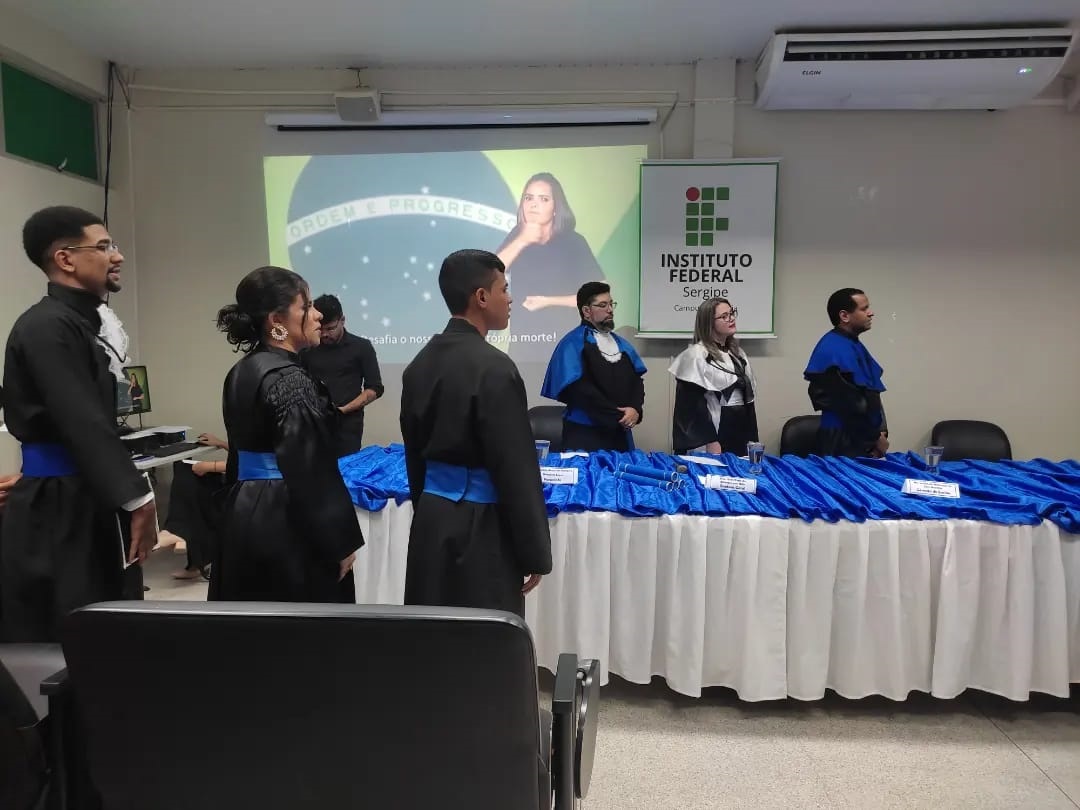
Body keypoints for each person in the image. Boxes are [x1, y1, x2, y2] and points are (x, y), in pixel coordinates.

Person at [1, 206, 157, 642]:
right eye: (104, 246)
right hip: (60, 503)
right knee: (74, 624)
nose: (117, 256)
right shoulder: (47, 326)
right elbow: (82, 420)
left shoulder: (81, 322)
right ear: (65, 259)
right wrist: (138, 497)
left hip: (87, 491)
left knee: (112, 613)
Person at [400, 249, 551, 616]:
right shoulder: (496, 368)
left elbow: (414, 457)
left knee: (433, 630)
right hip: (482, 528)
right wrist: (534, 552)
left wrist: (428, 510)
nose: (510, 298)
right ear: (481, 297)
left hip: (431, 520)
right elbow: (515, 467)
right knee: (484, 634)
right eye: (504, 288)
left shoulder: (418, 364)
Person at [213, 266, 363, 602]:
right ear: (277, 320)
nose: (317, 315)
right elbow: (310, 469)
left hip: (243, 508)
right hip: (285, 516)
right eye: (306, 306)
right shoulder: (290, 379)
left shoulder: (242, 370)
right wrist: (340, 542)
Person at [495, 172, 602, 350]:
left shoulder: (573, 242)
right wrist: (522, 240)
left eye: (543, 199)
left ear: (555, 208)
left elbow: (598, 296)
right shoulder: (517, 236)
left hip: (565, 345)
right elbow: (491, 271)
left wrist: (547, 301)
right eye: (528, 198)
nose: (533, 205)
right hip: (525, 347)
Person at [541, 281, 647, 452]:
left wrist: (635, 409)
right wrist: (617, 415)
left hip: (619, 432)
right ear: (586, 311)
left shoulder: (622, 344)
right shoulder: (572, 343)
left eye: (611, 304)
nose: (610, 310)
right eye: (603, 305)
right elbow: (579, 389)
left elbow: (636, 381)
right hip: (585, 434)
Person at [804, 288, 889, 458]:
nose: (870, 313)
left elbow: (870, 393)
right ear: (844, 316)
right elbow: (849, 404)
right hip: (843, 441)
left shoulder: (851, 343)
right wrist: (875, 439)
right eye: (864, 309)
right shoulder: (832, 348)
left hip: (862, 438)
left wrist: (881, 433)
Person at [669, 298, 759, 455]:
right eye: (724, 316)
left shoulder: (738, 354)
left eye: (732, 313)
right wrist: (710, 440)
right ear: (709, 323)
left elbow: (748, 400)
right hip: (714, 430)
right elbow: (690, 407)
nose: (731, 318)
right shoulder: (695, 356)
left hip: (739, 427)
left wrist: (751, 437)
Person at [301, 294, 384, 457]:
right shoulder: (307, 349)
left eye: (330, 328)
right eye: (321, 328)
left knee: (346, 469)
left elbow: (375, 388)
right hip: (313, 425)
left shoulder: (361, 347)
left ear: (342, 320)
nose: (324, 334)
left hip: (347, 428)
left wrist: (343, 410)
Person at [161, 433, 227, 581]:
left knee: (189, 480)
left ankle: (178, 533)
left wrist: (211, 466)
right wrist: (221, 443)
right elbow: (246, 453)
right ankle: (181, 537)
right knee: (184, 470)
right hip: (243, 478)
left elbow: (254, 462)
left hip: (254, 484)